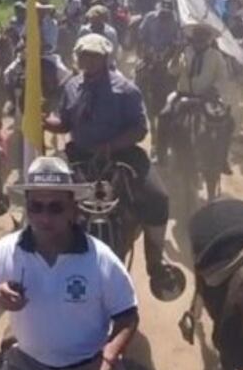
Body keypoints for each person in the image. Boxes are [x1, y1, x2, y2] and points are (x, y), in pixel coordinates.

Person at [0, 157, 139, 370]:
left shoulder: (100, 258)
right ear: (27, 207)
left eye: (55, 207)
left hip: (91, 368)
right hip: (27, 368)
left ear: (73, 208)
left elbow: (128, 316)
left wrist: (107, 358)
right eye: (37, 207)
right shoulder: (5, 251)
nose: (45, 218)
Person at [44, 34, 181, 299]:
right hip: (79, 154)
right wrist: (44, 121)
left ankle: (156, 263)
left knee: (157, 197)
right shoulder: (72, 86)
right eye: (84, 55)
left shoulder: (126, 89)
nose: (89, 60)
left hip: (122, 154)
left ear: (106, 58)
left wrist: (111, 146)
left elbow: (140, 128)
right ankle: (38, 252)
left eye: (94, 56)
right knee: (43, 185)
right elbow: (65, 123)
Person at [156, 24, 233, 174]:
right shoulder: (185, 52)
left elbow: (223, 78)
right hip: (183, 95)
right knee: (164, 116)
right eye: (196, 38)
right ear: (192, 39)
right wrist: (177, 54)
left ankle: (222, 159)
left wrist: (214, 89)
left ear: (208, 40)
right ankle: (161, 154)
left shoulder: (216, 56)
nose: (199, 41)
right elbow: (172, 71)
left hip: (207, 97)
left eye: (203, 38)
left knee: (228, 122)